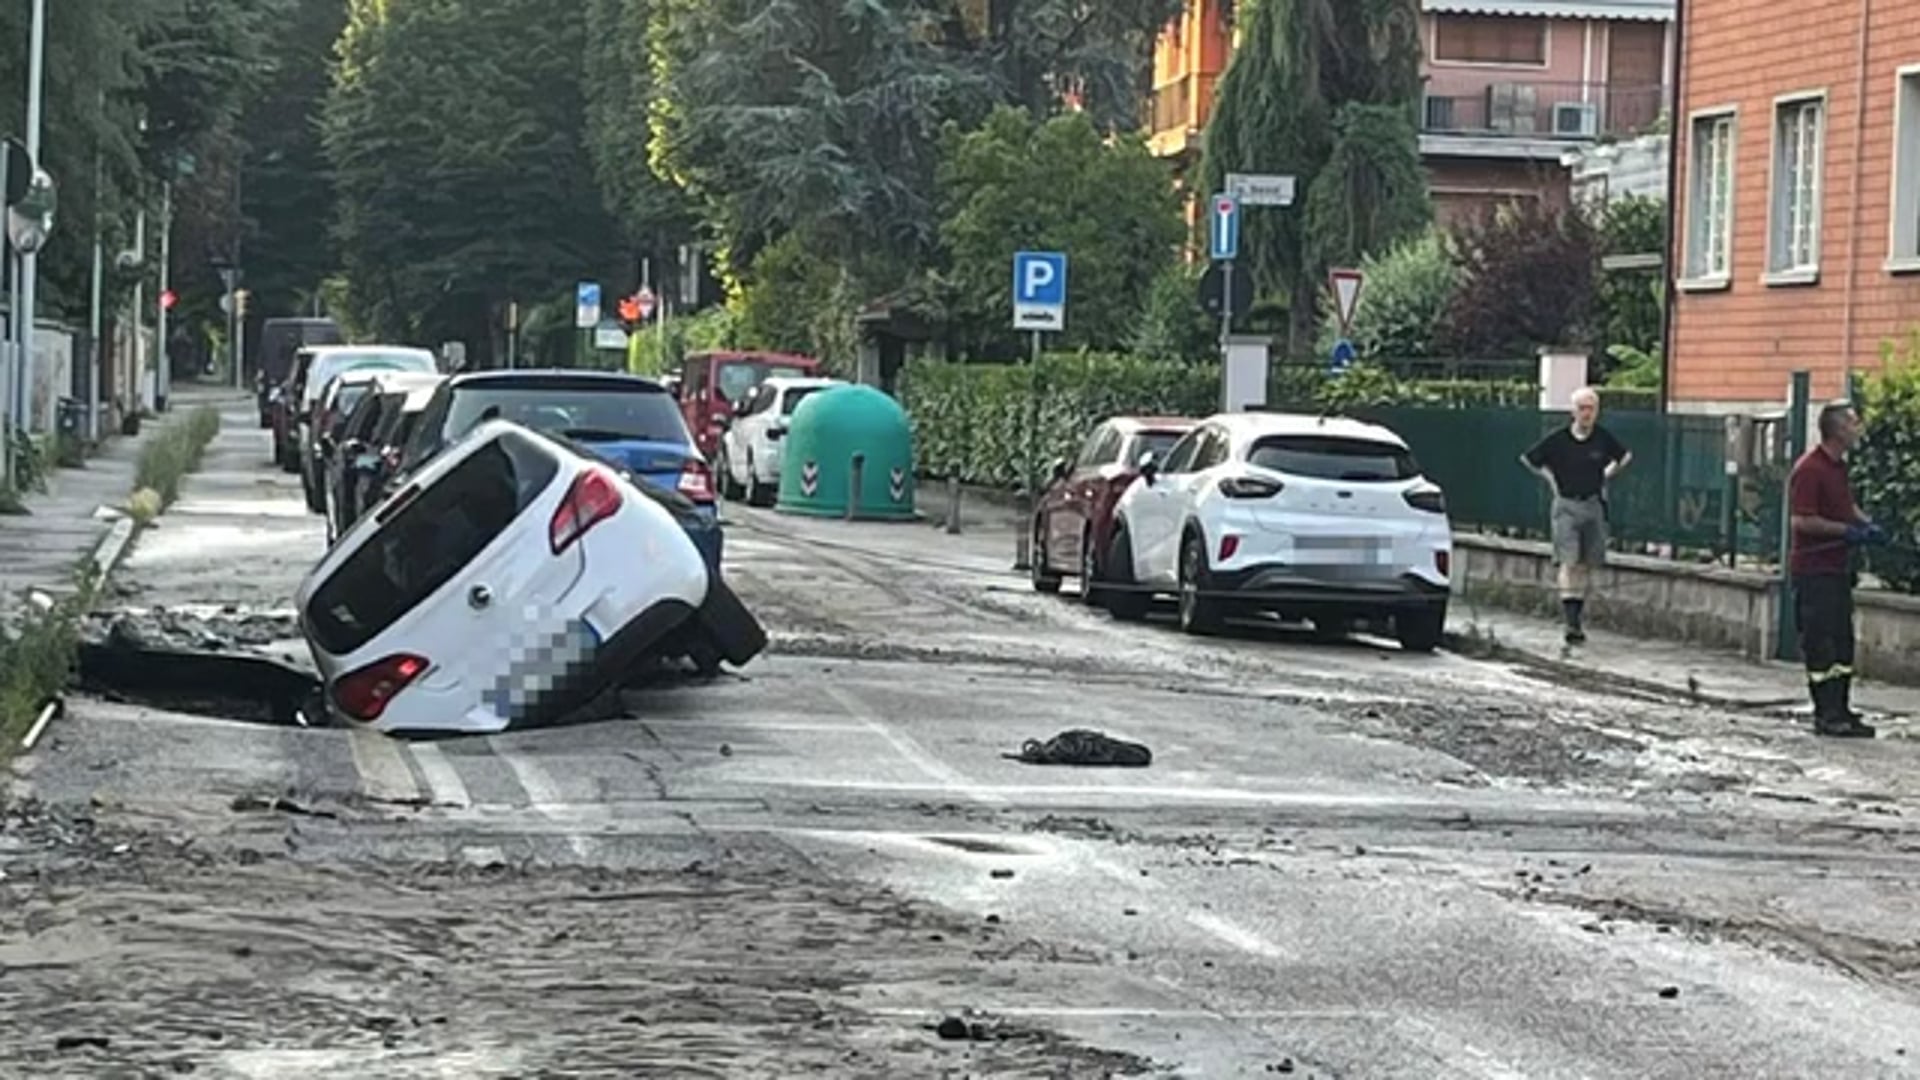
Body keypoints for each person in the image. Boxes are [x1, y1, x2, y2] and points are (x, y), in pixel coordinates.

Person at [1787, 401, 1886, 738]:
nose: (1858, 428)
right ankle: (1825, 713)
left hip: (1837, 569)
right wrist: (1846, 532)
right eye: (1853, 423)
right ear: (1838, 429)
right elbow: (1802, 520)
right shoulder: (1809, 469)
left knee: (1842, 644)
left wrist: (1867, 525)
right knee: (1821, 644)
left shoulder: (1838, 468)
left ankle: (1841, 708)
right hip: (1814, 571)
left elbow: (1846, 506)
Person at [1521, 386, 1633, 645]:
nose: (1586, 413)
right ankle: (1571, 622)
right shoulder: (1559, 439)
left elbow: (1625, 456)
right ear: (1573, 411)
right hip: (1566, 505)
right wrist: (1550, 479)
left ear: (1597, 411)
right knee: (1568, 561)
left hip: (1592, 503)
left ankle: (1577, 617)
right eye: (1582, 408)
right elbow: (1530, 459)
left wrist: (1606, 474)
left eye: (1591, 408)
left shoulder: (1603, 438)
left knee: (1585, 563)